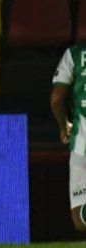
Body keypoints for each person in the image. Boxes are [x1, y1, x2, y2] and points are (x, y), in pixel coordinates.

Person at [50, 42, 86, 233]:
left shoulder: (74, 55)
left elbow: (57, 98)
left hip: (82, 144)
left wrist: (64, 126)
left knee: (80, 219)